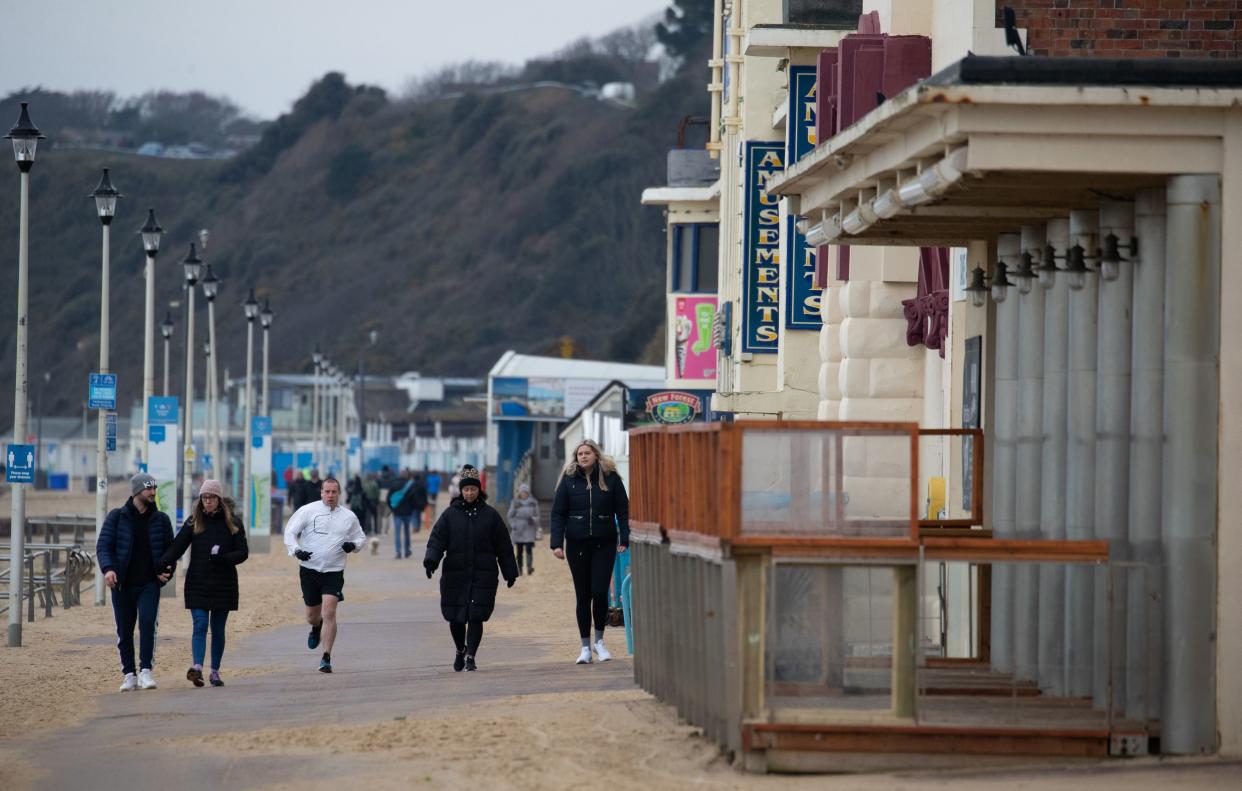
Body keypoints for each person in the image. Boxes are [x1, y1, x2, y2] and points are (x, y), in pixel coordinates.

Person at [424, 465, 517, 672]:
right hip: (455, 574)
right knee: (456, 618)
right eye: (466, 489)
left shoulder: (491, 516)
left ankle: (471, 656)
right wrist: (431, 560)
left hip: (483, 574)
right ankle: (460, 649)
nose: (469, 493)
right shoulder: (449, 515)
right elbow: (437, 539)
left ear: (479, 490)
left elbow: (503, 545)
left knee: (476, 615)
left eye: (473, 489)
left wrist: (509, 572)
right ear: (461, 491)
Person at [157, 479, 249, 688]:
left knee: (218, 629)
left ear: (219, 499)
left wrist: (223, 558)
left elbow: (243, 553)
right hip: (197, 581)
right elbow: (177, 547)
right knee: (199, 625)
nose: (207, 501)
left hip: (223, 582)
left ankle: (214, 671)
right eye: (204, 498)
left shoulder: (232, 522)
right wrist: (161, 564)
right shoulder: (193, 522)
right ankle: (197, 667)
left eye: (211, 497)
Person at [550, 439, 629, 665]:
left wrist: (624, 537)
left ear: (596, 454)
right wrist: (557, 544)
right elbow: (558, 514)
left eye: (587, 453)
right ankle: (585, 647)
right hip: (577, 544)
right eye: (579, 454)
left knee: (599, 592)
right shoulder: (568, 480)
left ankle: (600, 642)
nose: (582, 456)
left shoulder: (611, 478)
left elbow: (623, 510)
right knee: (583, 595)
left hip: (604, 542)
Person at [96, 472, 176, 691]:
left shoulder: (161, 520)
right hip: (122, 585)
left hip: (149, 584)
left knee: (148, 623)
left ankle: (146, 671)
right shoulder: (116, 517)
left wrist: (166, 571)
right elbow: (103, 546)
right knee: (124, 629)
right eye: (149, 488)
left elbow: (171, 551)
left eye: (154, 488)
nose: (153, 492)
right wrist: (108, 569)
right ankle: (129, 674)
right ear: (136, 491)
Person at [283, 476, 365, 673]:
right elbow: (290, 532)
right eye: (327, 492)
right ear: (321, 493)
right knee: (312, 615)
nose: (330, 495)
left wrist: (352, 546)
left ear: (339, 494)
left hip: (334, 571)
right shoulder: (307, 511)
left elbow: (360, 537)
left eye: (334, 492)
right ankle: (315, 626)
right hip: (309, 569)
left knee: (329, 611)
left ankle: (326, 657)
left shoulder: (348, 516)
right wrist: (296, 550)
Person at [507, 483, 540, 576]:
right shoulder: (515, 502)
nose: (524, 494)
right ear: (520, 493)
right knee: (519, 550)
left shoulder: (533, 503)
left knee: (529, 548)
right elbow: (510, 516)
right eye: (522, 492)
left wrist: (534, 520)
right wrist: (514, 525)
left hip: (529, 527)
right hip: (519, 529)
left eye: (525, 492)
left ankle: (529, 568)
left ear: (528, 493)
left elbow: (537, 515)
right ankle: (519, 569)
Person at [388, 471, 421, 558]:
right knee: (407, 533)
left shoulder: (394, 485)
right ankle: (407, 551)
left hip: (397, 513)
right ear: (407, 477)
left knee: (397, 533)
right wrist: (412, 509)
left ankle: (398, 552)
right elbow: (415, 500)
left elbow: (388, 498)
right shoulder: (410, 486)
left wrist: (393, 509)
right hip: (408, 513)